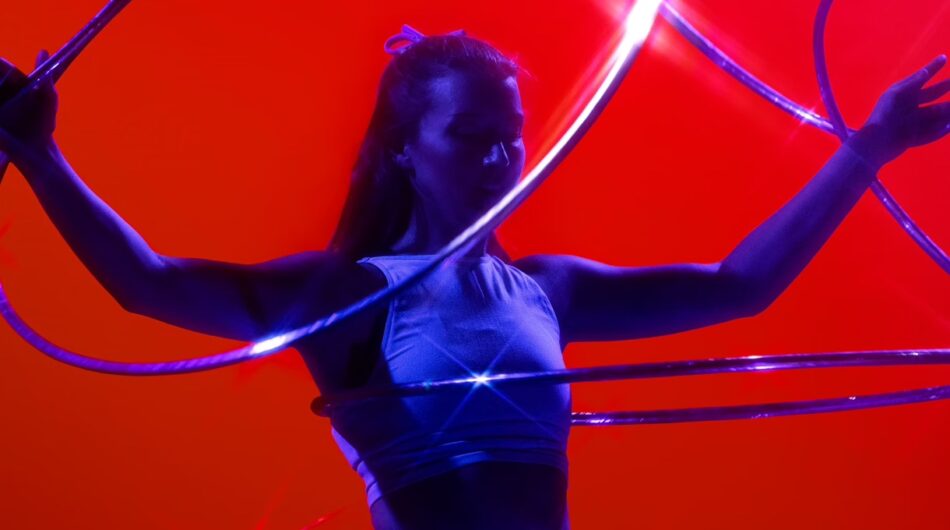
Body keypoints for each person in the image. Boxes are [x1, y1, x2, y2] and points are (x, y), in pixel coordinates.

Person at [0, 27, 948, 529]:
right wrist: (43, 160)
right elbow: (147, 282)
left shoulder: (551, 289)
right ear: (406, 151)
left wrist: (867, 148)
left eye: (511, 137)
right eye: (469, 138)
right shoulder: (346, 298)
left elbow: (740, 285)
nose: (501, 159)